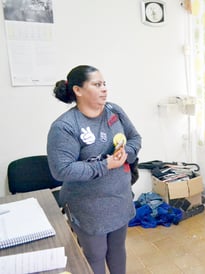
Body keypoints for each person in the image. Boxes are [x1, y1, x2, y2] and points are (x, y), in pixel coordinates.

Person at [47, 65, 142, 274]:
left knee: (117, 249)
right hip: (89, 206)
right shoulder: (65, 126)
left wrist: (126, 152)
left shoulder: (114, 111)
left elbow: (135, 138)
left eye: (104, 84)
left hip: (119, 197)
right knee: (96, 254)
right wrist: (106, 164)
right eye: (97, 84)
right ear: (78, 90)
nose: (104, 89)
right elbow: (61, 170)